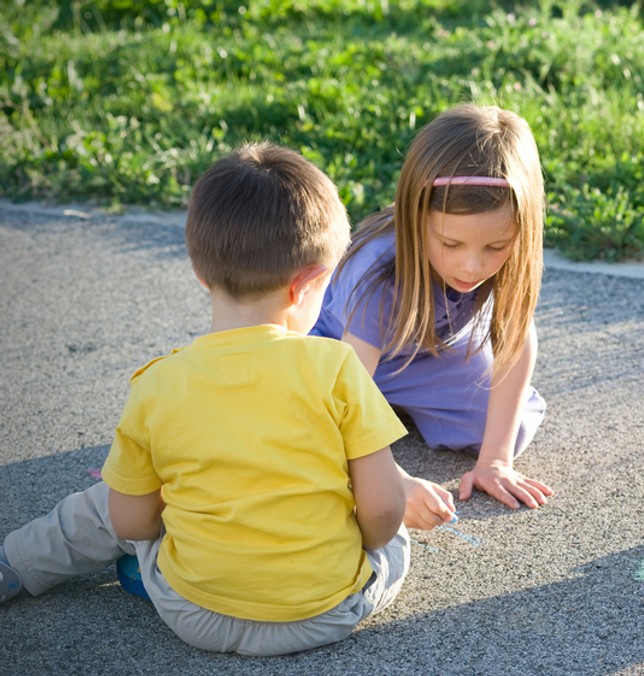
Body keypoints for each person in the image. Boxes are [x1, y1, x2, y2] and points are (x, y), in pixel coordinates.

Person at [0, 142, 412, 655]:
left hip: (193, 612)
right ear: (306, 285)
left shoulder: (157, 383)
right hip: (322, 615)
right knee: (394, 540)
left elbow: (131, 523)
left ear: (199, 271)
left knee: (110, 502)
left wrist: (170, 515)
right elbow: (383, 507)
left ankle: (15, 564)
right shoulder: (336, 367)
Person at [312, 104, 553, 520]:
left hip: (423, 356)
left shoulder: (509, 251)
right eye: (450, 244)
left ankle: (392, 408)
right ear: (414, 216)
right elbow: (348, 391)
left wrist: (495, 461)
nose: (472, 266)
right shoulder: (378, 271)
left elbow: (516, 339)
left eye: (495, 247)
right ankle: (382, 413)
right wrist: (392, 479)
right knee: (310, 437)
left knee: (509, 428)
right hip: (340, 356)